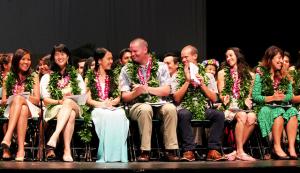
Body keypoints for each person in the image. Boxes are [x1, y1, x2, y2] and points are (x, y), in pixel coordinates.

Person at [119, 38, 179, 162]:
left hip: (159, 103)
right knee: (145, 109)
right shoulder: (126, 69)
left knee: (170, 108)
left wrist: (146, 89)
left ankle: (170, 150)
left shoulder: (161, 66)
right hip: (137, 105)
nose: (132, 54)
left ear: (145, 49)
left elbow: (167, 90)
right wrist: (137, 92)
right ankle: (145, 151)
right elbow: (124, 96)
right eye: (131, 51)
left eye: (135, 51)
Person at [176, 45, 226, 161]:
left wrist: (202, 84)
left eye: (186, 57)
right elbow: (177, 99)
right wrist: (187, 81)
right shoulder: (178, 75)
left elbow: (214, 99)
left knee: (219, 115)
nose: (183, 60)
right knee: (184, 114)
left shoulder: (208, 75)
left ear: (195, 56)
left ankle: (213, 150)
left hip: (203, 109)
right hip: (185, 108)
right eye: (182, 58)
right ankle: (189, 151)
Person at [40, 43, 86, 162]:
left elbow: (83, 97)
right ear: (53, 58)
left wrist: (70, 99)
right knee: (69, 112)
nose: (60, 57)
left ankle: (55, 135)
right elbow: (45, 100)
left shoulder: (76, 76)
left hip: (76, 107)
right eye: (57, 54)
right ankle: (67, 150)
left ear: (68, 57)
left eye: (63, 54)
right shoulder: (47, 77)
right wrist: (60, 101)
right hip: (55, 109)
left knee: (69, 103)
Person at [252, 45, 298, 160]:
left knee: (292, 111)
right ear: (270, 59)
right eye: (278, 57)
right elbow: (255, 96)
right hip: (265, 107)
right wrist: (272, 98)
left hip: (281, 105)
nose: (281, 60)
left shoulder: (284, 75)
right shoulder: (260, 75)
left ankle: (291, 148)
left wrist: (282, 97)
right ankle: (276, 147)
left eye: (282, 58)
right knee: (279, 111)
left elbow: (289, 95)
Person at [85, 48, 129, 162]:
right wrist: (102, 104)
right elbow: (88, 99)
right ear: (99, 61)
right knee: (105, 115)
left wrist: (112, 102)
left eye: (111, 59)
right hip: (97, 108)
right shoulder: (89, 76)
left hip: (112, 107)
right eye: (108, 59)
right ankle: (106, 154)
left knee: (120, 114)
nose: (111, 61)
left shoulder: (114, 75)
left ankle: (119, 155)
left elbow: (119, 96)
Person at [1, 48, 40, 161]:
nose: (26, 62)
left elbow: (37, 100)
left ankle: (8, 137)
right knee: (21, 108)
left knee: (20, 100)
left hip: (31, 108)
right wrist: (13, 98)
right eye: (23, 59)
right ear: (17, 60)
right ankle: (21, 150)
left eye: (28, 59)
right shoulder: (8, 77)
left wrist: (23, 96)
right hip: (13, 108)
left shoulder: (34, 76)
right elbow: (3, 101)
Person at [217, 47, 256, 161]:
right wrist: (224, 97)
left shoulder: (249, 75)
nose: (228, 58)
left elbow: (249, 94)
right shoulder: (222, 73)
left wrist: (247, 100)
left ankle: (237, 151)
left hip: (242, 107)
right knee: (242, 115)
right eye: (227, 56)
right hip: (228, 108)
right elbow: (221, 93)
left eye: (231, 55)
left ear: (237, 56)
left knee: (252, 117)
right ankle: (240, 151)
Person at [0, 53, 13, 160]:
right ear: (5, 65)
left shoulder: (17, 77)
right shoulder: (2, 78)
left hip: (10, 105)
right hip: (3, 105)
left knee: (7, 115)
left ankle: (7, 148)